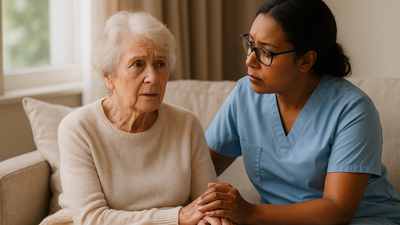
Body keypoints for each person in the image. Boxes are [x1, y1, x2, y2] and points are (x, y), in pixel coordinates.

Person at [198, 0, 400, 224]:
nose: (250, 60)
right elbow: (198, 169)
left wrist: (249, 213)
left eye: (265, 52)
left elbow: (338, 210)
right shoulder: (244, 95)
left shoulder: (353, 110)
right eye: (250, 44)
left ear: (306, 60)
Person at [39, 11, 232, 225]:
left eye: (160, 64)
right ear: (108, 76)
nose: (153, 77)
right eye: (138, 64)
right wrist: (176, 217)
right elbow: (91, 218)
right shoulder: (78, 129)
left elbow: (207, 205)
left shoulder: (186, 125)